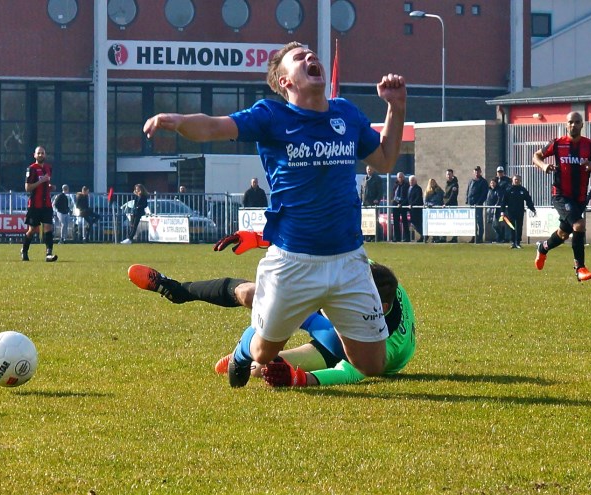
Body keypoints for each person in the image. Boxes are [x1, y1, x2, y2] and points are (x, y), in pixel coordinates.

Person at [141, 41, 406, 387]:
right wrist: (177, 121)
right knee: (264, 352)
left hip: (348, 261)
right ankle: (242, 351)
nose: (311, 58)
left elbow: (384, 160)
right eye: (300, 58)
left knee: (373, 364)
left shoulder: (347, 114)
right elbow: (213, 127)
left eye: (313, 54)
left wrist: (395, 108)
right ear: (285, 82)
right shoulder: (271, 116)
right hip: (293, 262)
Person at [127, 257, 415, 388]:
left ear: (382, 308)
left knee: (260, 370)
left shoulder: (385, 345)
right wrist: (257, 238)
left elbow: (350, 372)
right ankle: (178, 290)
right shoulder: (362, 273)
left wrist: (300, 379)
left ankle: (247, 351)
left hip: (336, 344)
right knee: (250, 292)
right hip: (329, 320)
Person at [532, 111, 591, 282]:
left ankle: (543, 248)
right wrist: (544, 166)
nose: (573, 125)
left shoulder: (590, 146)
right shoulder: (558, 144)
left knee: (563, 234)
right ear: (566, 124)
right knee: (579, 224)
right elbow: (536, 156)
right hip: (561, 195)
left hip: (579, 198)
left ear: (582, 125)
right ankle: (580, 268)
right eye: (570, 122)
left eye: (577, 122)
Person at [21, 146, 57, 262]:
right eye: (39, 153)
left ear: (45, 155)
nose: (41, 155)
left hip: (46, 204)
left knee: (48, 227)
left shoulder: (48, 168)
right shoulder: (31, 169)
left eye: (42, 153)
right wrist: (40, 181)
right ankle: (24, 250)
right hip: (35, 205)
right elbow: (27, 188)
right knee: (33, 230)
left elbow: (46, 185)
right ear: (35, 155)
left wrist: (50, 187)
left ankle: (48, 254)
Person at [501, 174, 536, 249]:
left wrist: (532, 208)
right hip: (511, 211)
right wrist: (502, 211)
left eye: (518, 179)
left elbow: (528, 199)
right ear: (512, 180)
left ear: (520, 181)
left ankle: (518, 242)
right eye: (515, 179)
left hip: (520, 211)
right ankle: (513, 242)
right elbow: (503, 201)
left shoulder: (523, 190)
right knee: (512, 226)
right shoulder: (508, 189)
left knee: (519, 227)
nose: (516, 181)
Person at [360, 166, 384, 241]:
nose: (369, 170)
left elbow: (380, 191)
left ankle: (375, 237)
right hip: (365, 204)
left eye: (370, 169)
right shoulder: (364, 179)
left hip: (373, 203)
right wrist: (360, 200)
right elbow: (362, 191)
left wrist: (377, 199)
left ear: (373, 170)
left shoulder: (377, 179)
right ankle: (367, 237)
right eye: (368, 169)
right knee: (366, 221)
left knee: (374, 221)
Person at [466, 166, 488, 243]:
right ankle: (474, 236)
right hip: (471, 204)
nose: (476, 173)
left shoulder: (483, 182)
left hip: (478, 204)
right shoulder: (471, 181)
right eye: (475, 171)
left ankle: (480, 237)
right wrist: (467, 200)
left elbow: (484, 193)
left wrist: (479, 202)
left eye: (477, 171)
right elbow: (468, 191)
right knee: (473, 221)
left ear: (480, 172)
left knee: (479, 221)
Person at [391, 172, 410, 242]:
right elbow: (393, 194)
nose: (400, 178)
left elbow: (407, 196)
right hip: (396, 205)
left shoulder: (406, 185)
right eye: (399, 177)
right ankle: (397, 237)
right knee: (396, 222)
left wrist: (402, 203)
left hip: (403, 205)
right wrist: (394, 201)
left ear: (404, 177)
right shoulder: (396, 185)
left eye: (401, 177)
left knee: (405, 222)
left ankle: (407, 238)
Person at [495, 166, 512, 242]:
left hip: (504, 204)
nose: (500, 173)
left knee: (506, 222)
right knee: (496, 223)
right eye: (499, 172)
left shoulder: (507, 180)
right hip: (497, 204)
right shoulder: (495, 180)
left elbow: (507, 190)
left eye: (501, 172)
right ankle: (499, 237)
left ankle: (506, 238)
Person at [484, 178, 504, 243]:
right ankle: (499, 237)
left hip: (496, 209)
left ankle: (500, 238)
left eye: (493, 183)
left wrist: (496, 205)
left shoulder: (498, 190)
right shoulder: (489, 190)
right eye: (491, 183)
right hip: (489, 209)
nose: (492, 184)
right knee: (492, 224)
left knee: (496, 224)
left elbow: (499, 198)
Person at [443, 169, 459, 243]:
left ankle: (454, 237)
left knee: (453, 222)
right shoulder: (447, 184)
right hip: (446, 206)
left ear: (452, 175)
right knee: (446, 222)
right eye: (447, 174)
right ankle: (444, 237)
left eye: (450, 174)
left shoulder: (454, 184)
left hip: (452, 205)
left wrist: (446, 204)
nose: (448, 176)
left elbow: (452, 196)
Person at [406, 175, 423, 242]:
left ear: (415, 181)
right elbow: (408, 198)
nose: (411, 182)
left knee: (418, 223)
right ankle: (422, 235)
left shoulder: (418, 188)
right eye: (410, 180)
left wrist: (412, 204)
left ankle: (423, 236)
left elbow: (418, 198)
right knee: (414, 223)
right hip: (411, 210)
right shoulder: (409, 188)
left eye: (412, 180)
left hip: (417, 209)